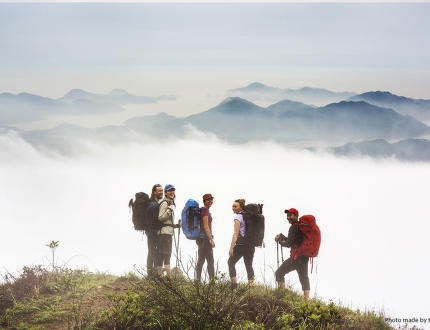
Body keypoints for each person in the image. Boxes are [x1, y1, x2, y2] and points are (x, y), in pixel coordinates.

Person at [275, 208, 310, 301]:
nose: (288, 217)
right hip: (304, 257)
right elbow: (295, 241)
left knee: (279, 273)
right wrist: (283, 237)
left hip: (296, 258)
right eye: (287, 216)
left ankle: (281, 296)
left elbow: (288, 244)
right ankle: (307, 302)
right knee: (304, 278)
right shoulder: (301, 227)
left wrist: (279, 241)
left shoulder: (293, 227)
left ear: (296, 216)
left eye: (290, 215)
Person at [228, 199, 255, 288]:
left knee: (230, 262)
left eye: (235, 206)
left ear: (241, 207)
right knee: (249, 265)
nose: (233, 208)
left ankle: (234, 286)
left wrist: (231, 248)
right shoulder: (250, 216)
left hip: (241, 245)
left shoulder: (238, 217)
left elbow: (235, 234)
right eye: (233, 206)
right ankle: (251, 287)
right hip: (251, 245)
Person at [157, 184, 180, 277]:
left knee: (162, 255)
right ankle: (169, 279)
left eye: (173, 190)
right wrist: (170, 210)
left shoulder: (168, 202)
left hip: (165, 232)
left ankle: (159, 277)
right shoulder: (165, 203)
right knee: (167, 255)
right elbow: (160, 218)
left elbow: (166, 222)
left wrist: (176, 225)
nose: (172, 192)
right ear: (165, 193)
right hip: (165, 234)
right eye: (169, 191)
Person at [195, 193, 215, 282]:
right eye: (208, 200)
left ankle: (197, 282)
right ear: (204, 201)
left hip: (201, 239)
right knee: (210, 262)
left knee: (201, 261)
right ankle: (212, 283)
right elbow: (206, 226)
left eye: (211, 199)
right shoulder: (205, 211)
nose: (210, 201)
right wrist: (211, 240)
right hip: (205, 239)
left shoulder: (202, 211)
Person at [145, 184, 163, 277]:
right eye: (159, 191)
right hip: (152, 232)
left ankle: (151, 272)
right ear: (154, 192)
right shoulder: (153, 204)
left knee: (151, 251)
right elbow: (156, 219)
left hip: (151, 231)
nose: (161, 192)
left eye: (162, 190)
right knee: (153, 251)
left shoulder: (154, 203)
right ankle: (152, 273)